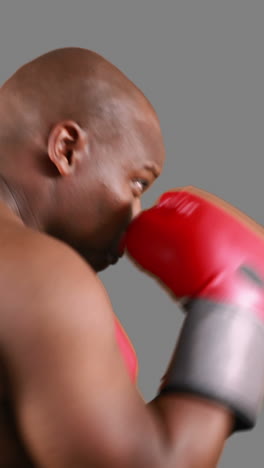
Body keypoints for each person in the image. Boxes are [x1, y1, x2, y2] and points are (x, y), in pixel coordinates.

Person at [0, 47, 247, 468]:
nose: (134, 217)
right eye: (137, 183)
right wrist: (237, 308)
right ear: (67, 148)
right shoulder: (42, 277)